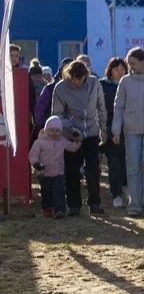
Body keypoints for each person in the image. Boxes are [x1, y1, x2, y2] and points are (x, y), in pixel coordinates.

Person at [51, 59, 108, 216]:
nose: (77, 82)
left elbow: (101, 107)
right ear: (69, 75)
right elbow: (57, 114)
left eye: (81, 78)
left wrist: (103, 128)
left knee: (93, 169)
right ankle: (74, 204)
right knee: (72, 170)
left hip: (91, 132)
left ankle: (95, 202)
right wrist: (70, 128)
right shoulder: (60, 88)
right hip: (71, 134)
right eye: (74, 78)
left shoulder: (94, 83)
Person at [112, 48, 144, 216]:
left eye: (133, 63)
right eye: (129, 64)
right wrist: (115, 130)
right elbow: (118, 107)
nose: (130, 67)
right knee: (133, 167)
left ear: (143, 61)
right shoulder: (125, 82)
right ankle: (134, 205)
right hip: (131, 130)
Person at [30, 116, 81, 218]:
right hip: (44, 172)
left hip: (59, 172)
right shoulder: (40, 142)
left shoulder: (62, 141)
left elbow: (72, 148)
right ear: (46, 130)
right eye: (51, 130)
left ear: (61, 132)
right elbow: (33, 154)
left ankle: (60, 210)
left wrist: (78, 140)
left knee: (59, 191)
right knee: (46, 192)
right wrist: (35, 163)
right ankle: (47, 208)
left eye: (57, 131)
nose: (54, 133)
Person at [100, 57, 128, 208]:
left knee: (128, 163)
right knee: (114, 164)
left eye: (122, 69)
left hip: (129, 129)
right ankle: (115, 193)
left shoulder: (130, 84)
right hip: (111, 129)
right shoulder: (103, 86)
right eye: (116, 70)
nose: (119, 72)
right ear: (110, 71)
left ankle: (125, 187)